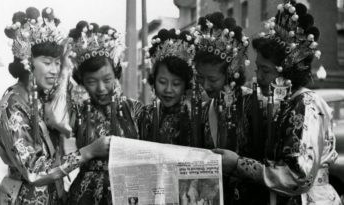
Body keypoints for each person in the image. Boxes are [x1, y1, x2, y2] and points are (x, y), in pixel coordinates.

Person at [214, 1, 342, 204]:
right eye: (257, 70)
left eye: (265, 71)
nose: (259, 78)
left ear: (288, 72)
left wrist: (239, 164)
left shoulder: (307, 104)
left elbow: (298, 175)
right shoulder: (284, 104)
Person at [0, 7, 110, 205]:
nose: (54, 70)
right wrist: (87, 152)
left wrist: (66, 74)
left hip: (54, 196)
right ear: (28, 62)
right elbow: (33, 170)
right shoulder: (10, 106)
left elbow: (66, 122)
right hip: (23, 198)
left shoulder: (47, 98)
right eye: (47, 62)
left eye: (57, 63)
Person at [192, 12, 269, 204]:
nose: (206, 86)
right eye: (201, 78)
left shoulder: (255, 104)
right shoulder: (203, 110)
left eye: (213, 79)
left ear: (231, 74)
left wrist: (239, 165)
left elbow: (272, 164)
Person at [67, 21, 142, 205]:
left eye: (107, 79)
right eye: (92, 81)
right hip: (85, 197)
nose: (101, 89)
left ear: (116, 75)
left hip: (127, 193)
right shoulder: (76, 111)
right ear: (82, 81)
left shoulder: (135, 110)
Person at [137, 28, 195, 146]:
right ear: (153, 80)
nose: (168, 90)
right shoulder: (144, 115)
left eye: (176, 84)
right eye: (162, 82)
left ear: (186, 84)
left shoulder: (195, 117)